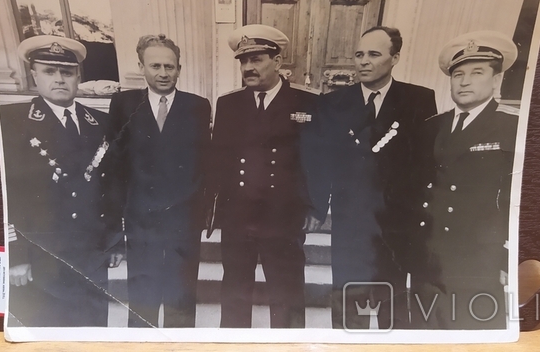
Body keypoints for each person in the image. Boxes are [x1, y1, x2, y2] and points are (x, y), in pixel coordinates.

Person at [301, 26, 437, 330]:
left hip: (399, 221)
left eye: (374, 54)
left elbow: (426, 161)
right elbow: (319, 161)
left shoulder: (418, 100)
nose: (363, 61)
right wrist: (317, 208)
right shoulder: (332, 104)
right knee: (348, 300)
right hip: (352, 221)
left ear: (395, 57)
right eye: (359, 54)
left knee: (395, 302)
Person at [207, 24, 318, 328]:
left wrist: (314, 205)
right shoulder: (228, 104)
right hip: (238, 216)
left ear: (278, 62)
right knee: (235, 293)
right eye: (244, 61)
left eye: (256, 59)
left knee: (287, 294)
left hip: (283, 216)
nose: (248, 68)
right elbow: (219, 160)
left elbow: (318, 161)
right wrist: (213, 209)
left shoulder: (307, 103)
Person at [2, 35, 114, 327]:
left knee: (94, 331)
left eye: (67, 72)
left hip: (91, 255)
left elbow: (111, 187)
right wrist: (15, 256)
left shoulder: (99, 122)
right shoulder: (11, 121)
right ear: (34, 75)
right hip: (41, 257)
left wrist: (113, 243)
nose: (59, 79)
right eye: (49, 71)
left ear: (78, 76)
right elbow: (7, 194)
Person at [101, 34, 211, 328]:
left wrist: (200, 213)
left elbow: (203, 164)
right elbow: (114, 165)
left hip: (182, 218)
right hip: (141, 217)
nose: (163, 73)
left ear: (179, 68)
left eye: (169, 66)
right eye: (155, 66)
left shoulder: (198, 106)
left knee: (182, 293)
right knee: (142, 293)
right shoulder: (123, 103)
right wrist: (117, 218)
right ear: (141, 67)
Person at [418, 30, 519, 329]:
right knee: (426, 332)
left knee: (471, 332)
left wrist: (507, 257)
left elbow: (519, 199)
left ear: (496, 80)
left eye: (477, 72)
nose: (464, 81)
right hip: (430, 253)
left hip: (479, 257)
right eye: (457, 74)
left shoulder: (513, 126)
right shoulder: (432, 126)